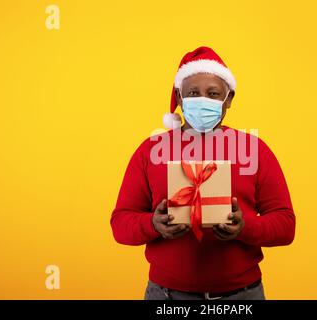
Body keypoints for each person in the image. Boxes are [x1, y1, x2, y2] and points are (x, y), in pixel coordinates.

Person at [110, 46, 296, 300]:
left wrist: (244, 227)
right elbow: (120, 224)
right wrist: (152, 224)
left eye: (213, 94)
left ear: (228, 99)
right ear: (179, 97)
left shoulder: (254, 150)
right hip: (167, 296)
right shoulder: (150, 151)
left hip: (242, 296)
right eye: (193, 93)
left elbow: (286, 225)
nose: (203, 100)